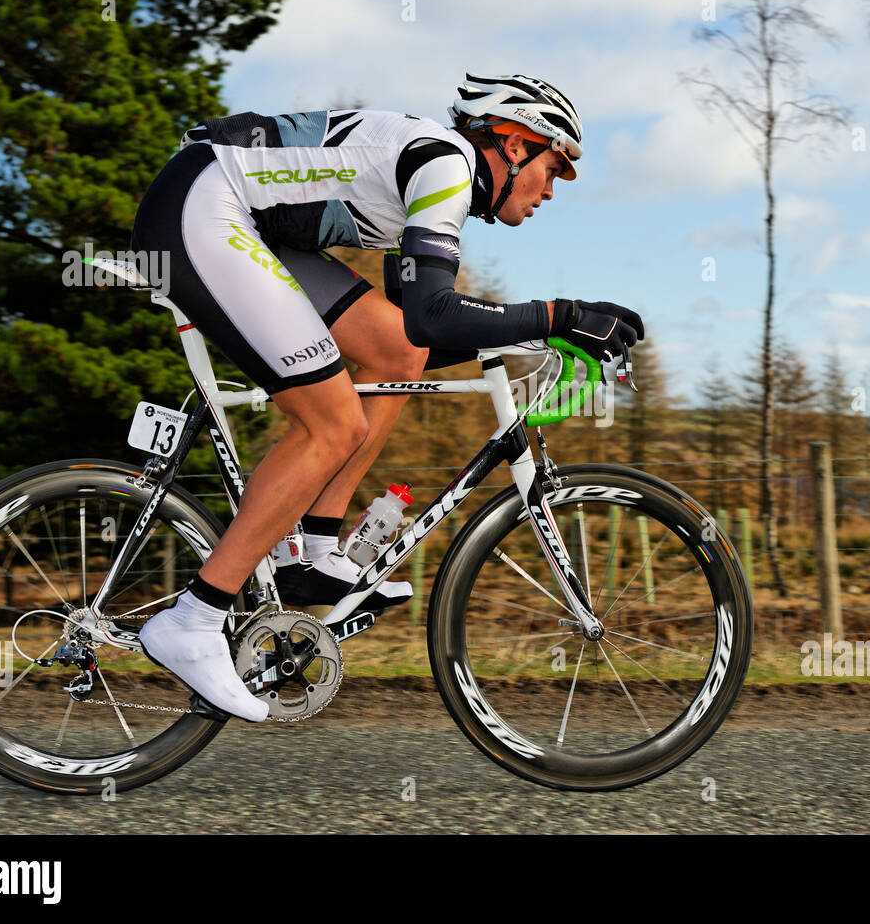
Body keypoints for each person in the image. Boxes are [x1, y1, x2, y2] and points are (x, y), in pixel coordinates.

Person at [129, 74, 643, 720]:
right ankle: (195, 619)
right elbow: (435, 312)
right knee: (331, 424)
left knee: (397, 355)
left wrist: (532, 336)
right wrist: (558, 314)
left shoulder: (439, 180)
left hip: (249, 223)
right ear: (514, 144)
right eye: (554, 166)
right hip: (203, 203)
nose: (552, 189)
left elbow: (417, 330)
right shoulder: (447, 165)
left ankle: (316, 550)